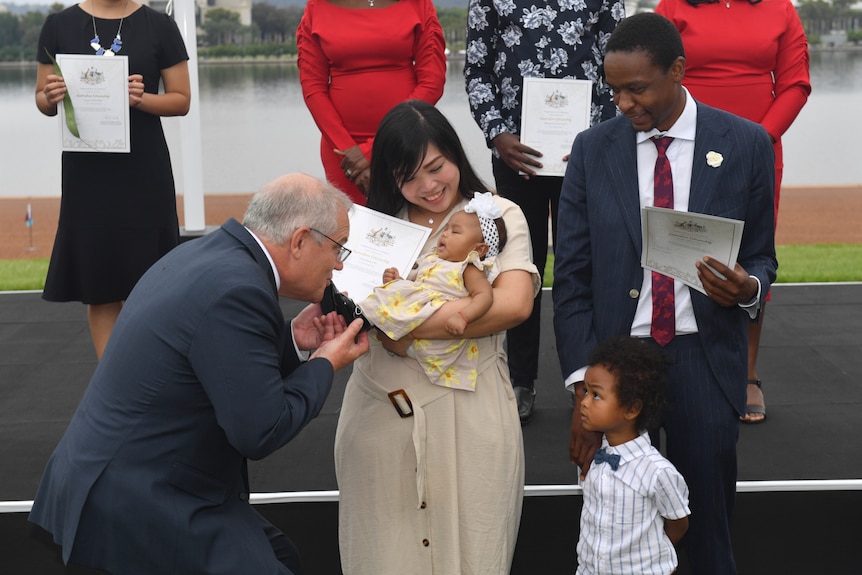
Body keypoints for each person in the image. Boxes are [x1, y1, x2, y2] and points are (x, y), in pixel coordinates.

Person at [28, 174, 370, 574]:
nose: (339, 263)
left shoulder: (209, 254)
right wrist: (325, 363)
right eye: (336, 247)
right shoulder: (240, 290)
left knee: (282, 557)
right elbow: (261, 430)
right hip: (140, 500)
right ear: (298, 241)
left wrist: (292, 340)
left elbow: (219, 360)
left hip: (112, 477)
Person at [553, 13, 777, 575]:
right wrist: (585, 389)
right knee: (618, 533)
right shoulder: (591, 149)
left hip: (703, 357)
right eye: (614, 90)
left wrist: (748, 288)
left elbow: (762, 259)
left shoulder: (746, 143)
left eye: (637, 88)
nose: (624, 103)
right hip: (616, 367)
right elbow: (572, 279)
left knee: (703, 527)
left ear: (678, 70)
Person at [334, 100, 540, 574]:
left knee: (476, 551)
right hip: (383, 411)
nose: (427, 187)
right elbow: (347, 300)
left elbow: (514, 304)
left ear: (455, 154)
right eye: (409, 176)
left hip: (472, 411)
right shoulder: (373, 229)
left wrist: (396, 329)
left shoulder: (496, 213)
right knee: (383, 555)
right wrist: (405, 325)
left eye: (436, 167)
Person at [464, 0, 625, 423]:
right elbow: (477, 69)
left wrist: (598, 135)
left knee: (588, 265)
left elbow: (616, 67)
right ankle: (520, 380)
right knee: (520, 265)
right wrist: (497, 133)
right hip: (517, 155)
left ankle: (598, 375)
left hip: (585, 153)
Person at [655, 0, 812, 424]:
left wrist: (756, 140)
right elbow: (654, 72)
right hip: (684, 145)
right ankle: (671, 360)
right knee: (679, 246)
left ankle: (746, 373)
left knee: (750, 256)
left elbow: (796, 83)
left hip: (760, 148)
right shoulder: (673, 6)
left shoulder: (781, 9)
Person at [36, 0, 191, 360]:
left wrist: (141, 99)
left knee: (151, 279)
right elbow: (42, 100)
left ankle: (154, 373)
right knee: (99, 281)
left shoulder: (160, 25)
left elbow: (181, 100)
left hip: (143, 170)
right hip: (86, 173)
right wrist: (49, 96)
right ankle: (115, 380)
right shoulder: (58, 25)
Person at [296, 0, 446, 204]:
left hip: (407, 141)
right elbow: (313, 87)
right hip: (343, 151)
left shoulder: (418, 4)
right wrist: (348, 150)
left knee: (413, 223)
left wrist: (373, 150)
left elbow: (432, 82)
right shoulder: (317, 7)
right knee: (353, 227)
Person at [360, 191, 508, 388]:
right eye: (446, 228)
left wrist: (463, 316)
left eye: (455, 232)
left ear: (479, 249)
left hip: (437, 329)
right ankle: (376, 326)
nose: (445, 234)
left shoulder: (468, 267)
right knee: (383, 298)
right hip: (421, 309)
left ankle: (388, 335)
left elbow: (484, 296)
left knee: (390, 327)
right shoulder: (433, 258)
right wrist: (397, 281)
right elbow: (416, 283)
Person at [576, 336, 690, 575]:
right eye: (585, 392)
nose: (584, 403)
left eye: (596, 395)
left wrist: (652, 557)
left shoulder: (658, 472)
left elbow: (678, 523)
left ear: (631, 409)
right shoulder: (596, 460)